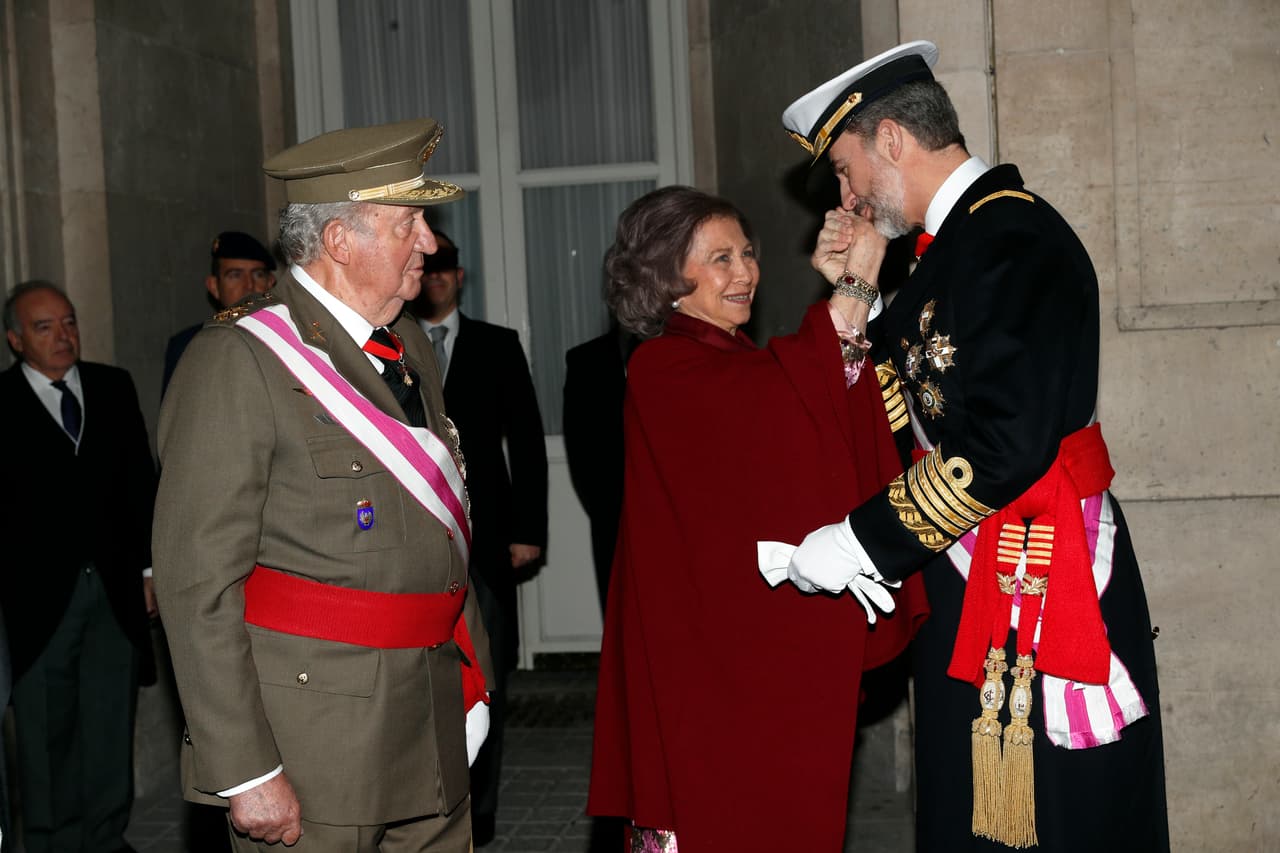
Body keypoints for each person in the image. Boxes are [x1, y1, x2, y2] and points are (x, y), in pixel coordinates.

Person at [780, 40, 1169, 852]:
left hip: (1041, 565)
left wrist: (861, 540)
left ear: (891, 140)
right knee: (975, 817)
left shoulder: (1011, 238)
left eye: (847, 170)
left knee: (1058, 820)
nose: (845, 196)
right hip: (972, 569)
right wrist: (854, 288)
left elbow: (1003, 444)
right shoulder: (939, 255)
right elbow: (890, 419)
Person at [152, 118, 495, 853]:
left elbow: (439, 535)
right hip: (317, 747)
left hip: (431, 721)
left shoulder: (409, 354)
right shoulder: (239, 362)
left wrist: (475, 683)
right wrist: (245, 769)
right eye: (411, 222)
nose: (430, 244)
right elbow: (196, 584)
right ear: (341, 241)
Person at [586, 186, 928, 851]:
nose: (743, 272)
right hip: (700, 671)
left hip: (738, 659)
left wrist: (847, 298)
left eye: (746, 252)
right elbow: (780, 402)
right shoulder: (662, 366)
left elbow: (807, 408)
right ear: (667, 279)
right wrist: (857, 281)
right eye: (719, 258)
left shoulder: (730, 358)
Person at [1, 281, 157, 853]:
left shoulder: (113, 387)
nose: (63, 336)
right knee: (46, 734)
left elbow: (142, 484)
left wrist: (147, 572)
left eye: (68, 322)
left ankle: (106, 837)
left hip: (114, 594)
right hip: (38, 604)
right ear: (17, 341)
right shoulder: (1, 403)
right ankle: (52, 842)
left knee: (110, 721)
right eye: (44, 327)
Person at [412, 231, 548, 846]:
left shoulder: (497, 345)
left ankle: (482, 814)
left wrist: (529, 530)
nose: (435, 279)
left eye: (446, 270)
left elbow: (526, 440)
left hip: (489, 545)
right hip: (418, 542)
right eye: (427, 268)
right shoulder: (391, 343)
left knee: (486, 685)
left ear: (460, 277)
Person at [562, 324, 636, 613]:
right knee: (617, 603)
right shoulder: (585, 358)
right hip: (610, 508)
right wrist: (600, 504)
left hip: (670, 508)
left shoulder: (676, 352)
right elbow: (578, 443)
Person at [161, 230, 277, 395]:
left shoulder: (290, 340)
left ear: (270, 283)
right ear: (214, 286)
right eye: (235, 275)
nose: (249, 285)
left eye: (258, 275)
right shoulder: (189, 346)